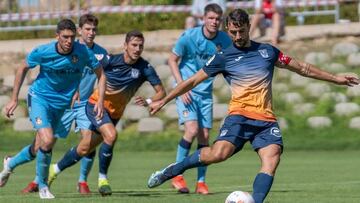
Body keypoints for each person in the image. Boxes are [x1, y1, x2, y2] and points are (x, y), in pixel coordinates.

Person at [147, 9, 359, 203]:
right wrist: (164, 101)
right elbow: (193, 81)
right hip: (239, 116)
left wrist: (335, 78)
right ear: (227, 31)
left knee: (272, 158)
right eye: (232, 33)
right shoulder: (223, 56)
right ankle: (175, 169)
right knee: (218, 155)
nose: (237, 37)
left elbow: (302, 67)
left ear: (249, 26)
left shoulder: (268, 52)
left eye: (240, 31)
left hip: (265, 120)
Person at [45, 30, 166, 196]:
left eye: (140, 46)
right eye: (134, 45)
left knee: (84, 148)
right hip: (96, 105)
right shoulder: (110, 60)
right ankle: (103, 180)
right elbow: (85, 68)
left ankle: (55, 169)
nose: (137, 49)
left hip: (114, 114)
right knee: (111, 135)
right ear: (125, 46)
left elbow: (161, 92)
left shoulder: (145, 68)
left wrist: (149, 101)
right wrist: (77, 89)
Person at [0, 19, 106, 199]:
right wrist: (14, 98)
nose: (69, 41)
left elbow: (101, 75)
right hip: (40, 99)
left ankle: (10, 163)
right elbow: (22, 68)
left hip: (63, 106)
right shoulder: (43, 51)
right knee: (48, 141)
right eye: (65, 37)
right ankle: (43, 187)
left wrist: (101, 101)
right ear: (57, 36)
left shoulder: (83, 53)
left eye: (72, 37)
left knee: (38, 147)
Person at [169, 3, 231, 195]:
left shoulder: (224, 40)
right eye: (211, 18)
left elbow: (230, 63)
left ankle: (201, 182)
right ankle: (177, 175)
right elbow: (172, 60)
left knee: (204, 136)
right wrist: (182, 88)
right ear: (203, 19)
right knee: (192, 129)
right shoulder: (189, 36)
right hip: (186, 91)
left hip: (205, 94)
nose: (214, 22)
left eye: (217, 19)